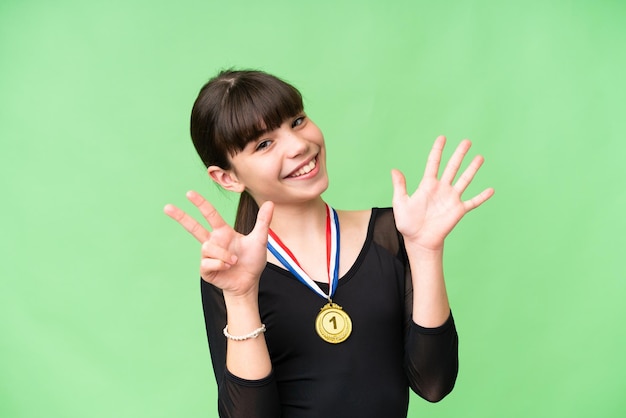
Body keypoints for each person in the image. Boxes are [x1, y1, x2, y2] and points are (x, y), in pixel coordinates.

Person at [164, 69, 494, 418]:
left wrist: (426, 252)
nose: (298, 145)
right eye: (264, 144)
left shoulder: (393, 234)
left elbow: (433, 383)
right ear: (227, 177)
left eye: (297, 120)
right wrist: (242, 298)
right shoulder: (231, 273)